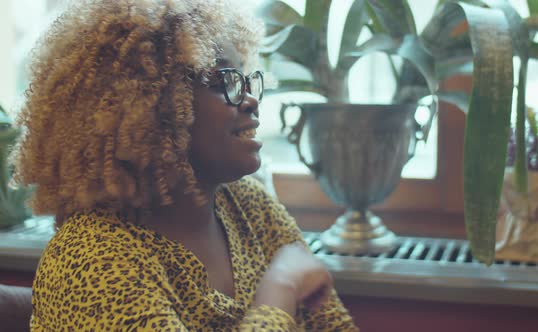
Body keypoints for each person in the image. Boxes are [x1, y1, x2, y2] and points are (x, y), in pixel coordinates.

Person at [13, 0, 358, 330]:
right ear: (146, 105)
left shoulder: (250, 207)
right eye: (224, 81)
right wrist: (279, 288)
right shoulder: (91, 258)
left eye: (245, 79)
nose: (251, 100)